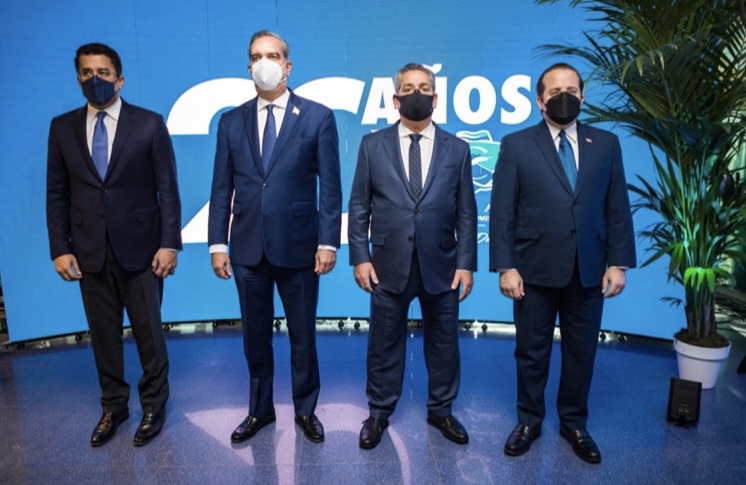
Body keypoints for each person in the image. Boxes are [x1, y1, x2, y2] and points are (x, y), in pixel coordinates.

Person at [489, 63, 636, 464]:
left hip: (589, 270)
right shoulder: (517, 145)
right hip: (532, 270)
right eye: (555, 92)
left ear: (583, 96)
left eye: (571, 90)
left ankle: (574, 423)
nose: (564, 97)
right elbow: (502, 211)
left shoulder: (605, 144)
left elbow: (617, 207)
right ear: (540, 101)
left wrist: (618, 262)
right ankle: (529, 421)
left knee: (582, 352)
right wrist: (506, 266)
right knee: (531, 351)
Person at [208, 30, 342, 444]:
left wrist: (328, 242)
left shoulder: (318, 117)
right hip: (247, 248)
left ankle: (305, 409)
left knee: (302, 335)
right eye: (256, 56)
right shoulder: (231, 121)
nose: (263, 62)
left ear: (287, 66)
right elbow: (221, 188)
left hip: (300, 248)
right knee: (255, 338)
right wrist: (217, 243)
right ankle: (260, 410)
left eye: (272, 55)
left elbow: (331, 186)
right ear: (248, 66)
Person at [46, 42, 182, 447]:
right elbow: (57, 193)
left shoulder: (149, 124)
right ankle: (114, 407)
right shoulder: (62, 128)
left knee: (149, 334)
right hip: (88, 252)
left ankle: (154, 406)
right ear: (78, 79)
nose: (95, 80)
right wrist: (60, 248)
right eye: (87, 73)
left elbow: (168, 189)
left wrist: (169, 244)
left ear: (119, 80)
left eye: (103, 73)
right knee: (103, 336)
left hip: (143, 251)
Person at [348, 63, 477, 450]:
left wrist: (466, 264)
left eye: (423, 88)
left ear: (435, 98)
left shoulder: (458, 148)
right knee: (384, 344)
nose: (416, 94)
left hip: (443, 265)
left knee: (444, 344)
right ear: (395, 98)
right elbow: (359, 206)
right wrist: (360, 257)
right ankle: (378, 412)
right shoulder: (372, 145)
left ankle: (441, 410)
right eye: (408, 88)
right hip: (387, 265)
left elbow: (466, 212)